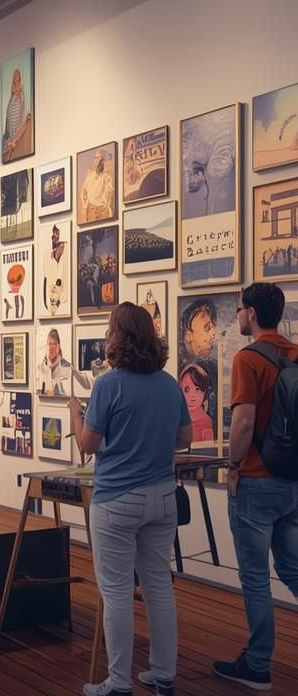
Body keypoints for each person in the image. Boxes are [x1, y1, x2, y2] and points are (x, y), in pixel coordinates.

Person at [65, 303, 190, 696]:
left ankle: (119, 682)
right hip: (162, 497)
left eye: (109, 329)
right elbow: (184, 440)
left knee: (116, 591)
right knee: (158, 587)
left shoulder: (108, 385)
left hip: (117, 499)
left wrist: (74, 412)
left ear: (119, 336)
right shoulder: (169, 384)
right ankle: (163, 675)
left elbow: (88, 444)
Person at [214, 282, 298, 690]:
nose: (238, 317)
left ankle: (258, 665)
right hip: (292, 481)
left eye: (240, 310)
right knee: (294, 569)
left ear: (251, 312)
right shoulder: (295, 354)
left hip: (257, 482)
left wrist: (232, 467)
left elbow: (244, 421)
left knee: (254, 578)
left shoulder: (247, 359)